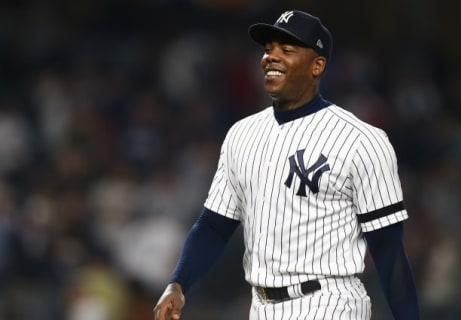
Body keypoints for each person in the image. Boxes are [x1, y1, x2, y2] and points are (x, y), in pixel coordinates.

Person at [153, 10, 420, 320]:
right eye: (268, 50)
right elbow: (214, 225)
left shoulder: (360, 140)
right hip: (260, 305)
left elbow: (388, 248)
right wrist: (178, 282)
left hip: (329, 302)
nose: (271, 57)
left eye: (287, 50)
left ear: (317, 65)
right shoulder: (242, 134)